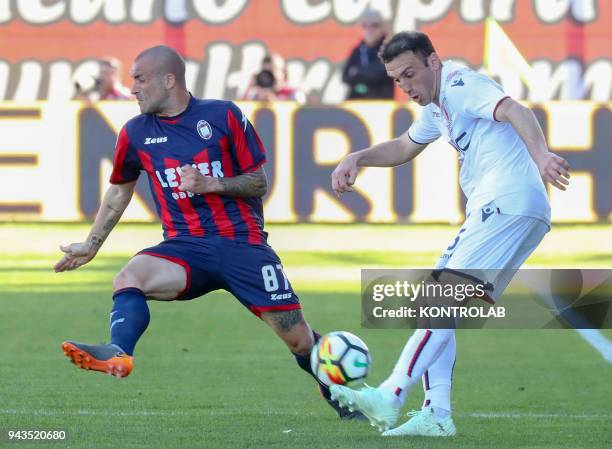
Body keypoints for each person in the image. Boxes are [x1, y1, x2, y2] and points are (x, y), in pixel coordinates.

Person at [55, 45, 361, 420]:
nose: (132, 88)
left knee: (298, 338)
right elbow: (120, 189)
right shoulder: (135, 133)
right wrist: (91, 244)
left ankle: (347, 403)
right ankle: (119, 351)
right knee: (129, 277)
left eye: (140, 79)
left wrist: (211, 183)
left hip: (243, 247)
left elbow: (258, 182)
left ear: (169, 80)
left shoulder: (223, 115)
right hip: (185, 248)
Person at [330, 31, 570, 436]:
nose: (406, 86)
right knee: (434, 301)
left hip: (506, 202)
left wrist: (542, 154)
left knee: (438, 299)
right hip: (504, 208)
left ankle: (391, 394)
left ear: (433, 62)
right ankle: (436, 415)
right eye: (397, 79)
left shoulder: (460, 84)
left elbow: (515, 110)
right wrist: (358, 157)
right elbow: (405, 146)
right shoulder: (438, 106)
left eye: (410, 74)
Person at [342, 10, 394, 100]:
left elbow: (384, 73)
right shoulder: (357, 50)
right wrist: (369, 72)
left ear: (383, 27)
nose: (369, 29)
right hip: (356, 101)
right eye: (365, 25)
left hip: (381, 103)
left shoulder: (390, 48)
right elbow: (345, 76)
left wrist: (357, 72)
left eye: (374, 25)